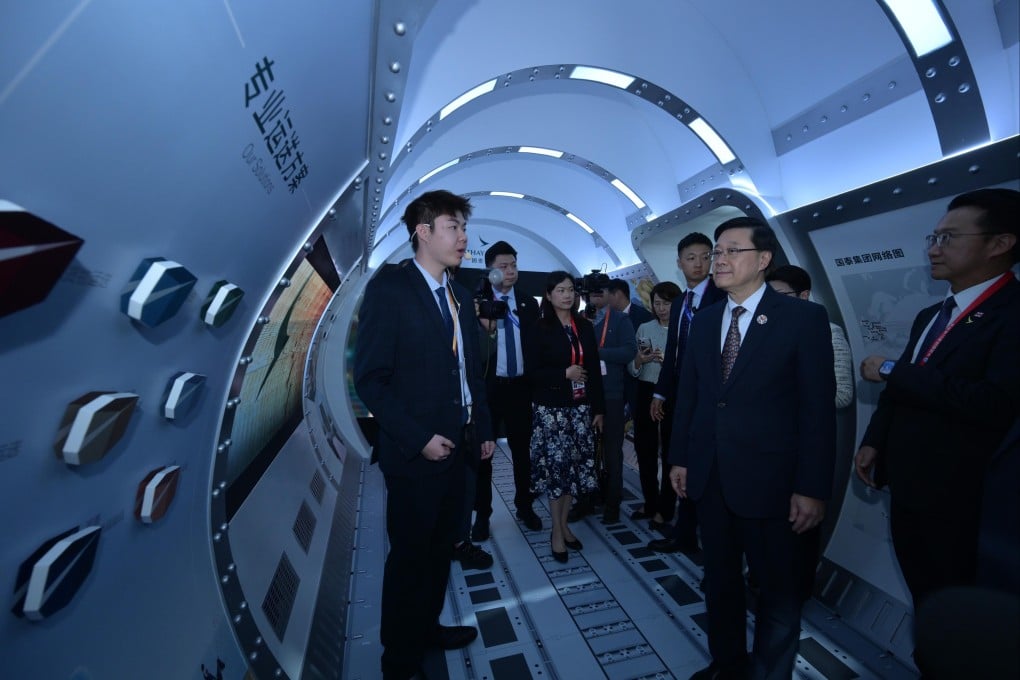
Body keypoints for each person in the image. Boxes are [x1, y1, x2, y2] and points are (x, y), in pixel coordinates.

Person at [669, 216, 836, 679]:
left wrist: (812, 488)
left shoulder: (802, 319)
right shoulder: (706, 320)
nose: (719, 260)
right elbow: (691, 395)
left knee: (778, 594)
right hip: (711, 477)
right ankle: (727, 665)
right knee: (719, 582)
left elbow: (817, 411)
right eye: (717, 251)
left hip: (774, 484)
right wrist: (680, 457)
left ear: (763, 259)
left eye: (731, 251)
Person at [855, 188, 1020, 615]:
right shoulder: (931, 315)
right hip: (908, 486)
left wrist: (891, 369)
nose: (933, 249)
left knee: (957, 607)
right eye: (933, 237)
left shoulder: (1011, 314)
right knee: (925, 597)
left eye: (948, 238)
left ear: (1000, 244)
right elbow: (906, 388)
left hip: (962, 499)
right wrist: (875, 439)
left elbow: (995, 403)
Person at [354, 189, 496, 680]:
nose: (463, 237)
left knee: (441, 552)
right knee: (410, 559)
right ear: (423, 231)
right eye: (454, 227)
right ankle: (398, 659)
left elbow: (471, 372)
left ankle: (428, 628)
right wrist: (418, 439)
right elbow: (371, 380)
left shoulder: (459, 294)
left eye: (464, 227)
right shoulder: (390, 290)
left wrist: (483, 428)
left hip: (460, 449)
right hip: (416, 456)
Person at [647, 232, 726, 554]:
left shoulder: (722, 297)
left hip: (708, 396)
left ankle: (701, 535)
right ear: (679, 263)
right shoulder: (680, 302)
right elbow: (674, 351)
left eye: (706, 257)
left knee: (702, 463)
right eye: (691, 258)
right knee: (675, 457)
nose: (699, 263)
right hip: (679, 394)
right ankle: (683, 531)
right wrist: (660, 394)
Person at [524, 271, 605, 562]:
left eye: (571, 289)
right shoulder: (538, 328)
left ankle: (564, 526)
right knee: (557, 473)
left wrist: (598, 409)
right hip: (551, 411)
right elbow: (531, 373)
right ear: (548, 295)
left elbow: (593, 368)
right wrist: (564, 374)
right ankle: (557, 531)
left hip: (580, 409)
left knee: (573, 471)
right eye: (560, 290)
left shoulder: (583, 326)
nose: (567, 295)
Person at [470, 240, 542, 541]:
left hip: (520, 388)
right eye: (503, 266)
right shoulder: (477, 303)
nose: (511, 271)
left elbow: (535, 347)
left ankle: (525, 505)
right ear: (491, 271)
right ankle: (482, 515)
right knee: (483, 454)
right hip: (489, 389)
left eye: (513, 265)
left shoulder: (528, 303)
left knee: (523, 452)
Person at [571, 279, 637, 523]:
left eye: (601, 292)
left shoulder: (620, 320)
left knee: (612, 451)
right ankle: (585, 501)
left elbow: (629, 351)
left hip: (611, 394)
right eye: (591, 293)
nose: (596, 297)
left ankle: (612, 504)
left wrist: (596, 353)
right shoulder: (578, 320)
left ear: (610, 294)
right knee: (583, 450)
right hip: (583, 394)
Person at [628, 281, 681, 522]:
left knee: (670, 450)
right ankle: (650, 502)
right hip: (646, 390)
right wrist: (640, 360)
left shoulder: (683, 330)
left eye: (666, 304)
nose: (661, 308)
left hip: (672, 393)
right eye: (657, 303)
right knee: (645, 448)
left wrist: (668, 363)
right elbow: (632, 368)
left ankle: (666, 508)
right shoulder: (644, 328)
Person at [766, 265, 854, 409]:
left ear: (804, 295)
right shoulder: (762, 330)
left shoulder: (830, 332)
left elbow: (842, 395)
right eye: (768, 296)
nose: (773, 302)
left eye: (781, 295)